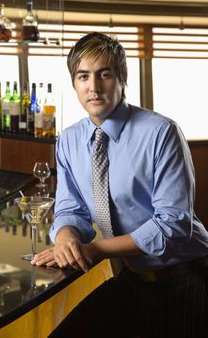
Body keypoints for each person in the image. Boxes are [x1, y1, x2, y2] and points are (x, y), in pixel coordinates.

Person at [31, 32, 208, 338]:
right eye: (83, 76)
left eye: (105, 74)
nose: (94, 86)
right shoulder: (70, 141)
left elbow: (174, 225)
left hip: (186, 279)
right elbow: (70, 208)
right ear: (74, 83)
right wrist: (65, 237)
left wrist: (96, 249)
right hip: (133, 278)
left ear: (122, 78)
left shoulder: (161, 133)